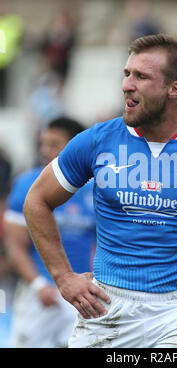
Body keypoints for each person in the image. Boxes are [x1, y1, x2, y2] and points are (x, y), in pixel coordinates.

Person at [23, 34, 177, 348]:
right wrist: (63, 276)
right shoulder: (98, 140)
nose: (128, 84)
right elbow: (37, 200)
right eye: (127, 74)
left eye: (141, 76)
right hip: (105, 308)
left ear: (174, 89)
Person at [3, 117, 96, 348]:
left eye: (54, 144)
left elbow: (102, 243)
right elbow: (14, 246)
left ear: (75, 147)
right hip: (42, 294)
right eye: (43, 143)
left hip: (82, 294)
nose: (46, 150)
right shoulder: (27, 184)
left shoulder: (96, 188)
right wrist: (38, 285)